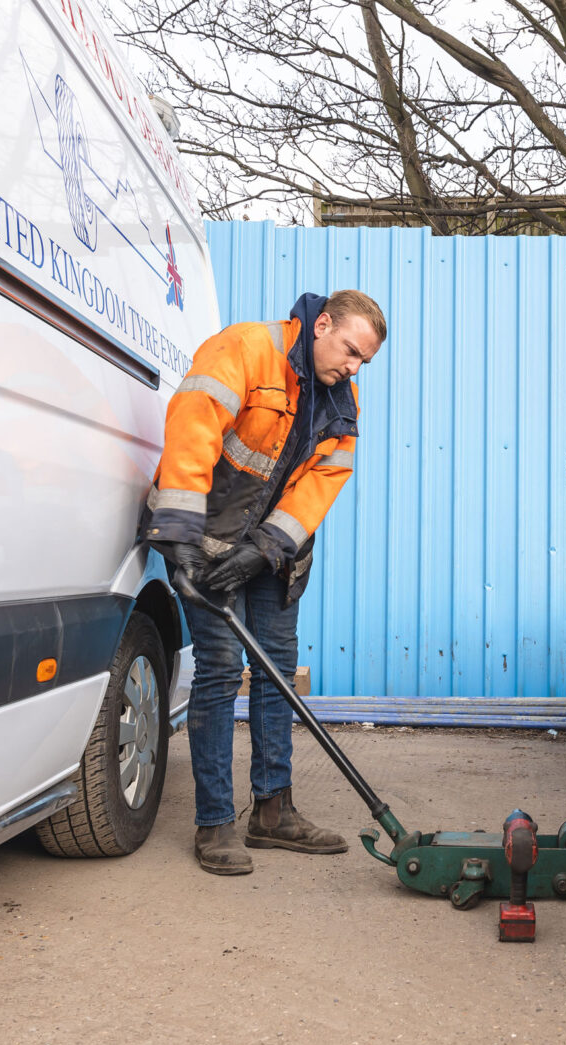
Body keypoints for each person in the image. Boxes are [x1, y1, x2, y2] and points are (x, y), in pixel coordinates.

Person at [141, 290, 386, 874]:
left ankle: (273, 812)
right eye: (350, 351)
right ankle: (215, 822)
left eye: (363, 363)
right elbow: (191, 436)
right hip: (205, 542)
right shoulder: (244, 349)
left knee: (276, 669)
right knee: (222, 668)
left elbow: (320, 485)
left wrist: (267, 551)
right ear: (321, 324)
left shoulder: (340, 403)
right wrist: (179, 541)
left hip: (274, 554)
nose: (353, 368)